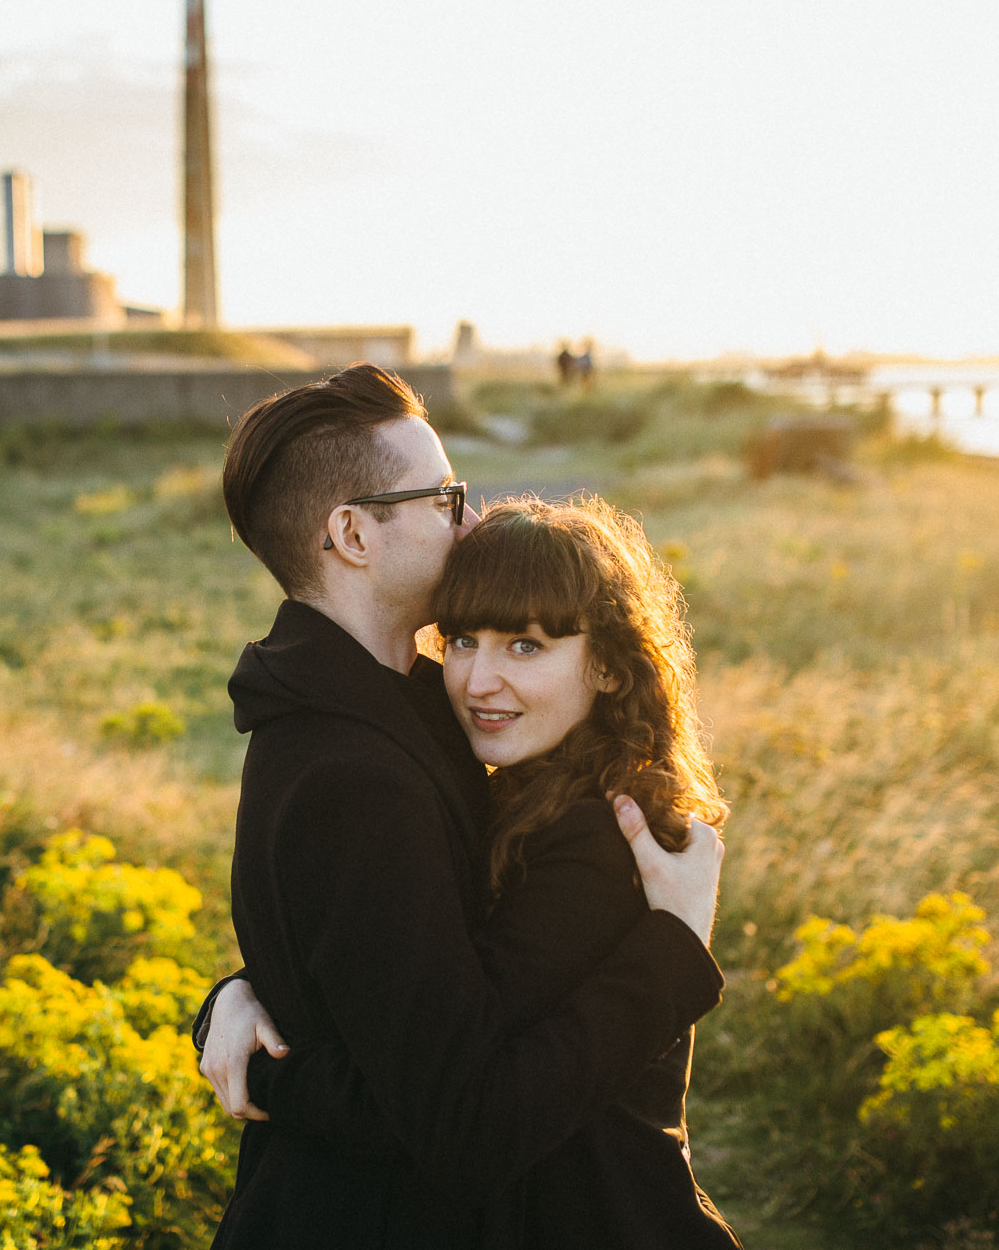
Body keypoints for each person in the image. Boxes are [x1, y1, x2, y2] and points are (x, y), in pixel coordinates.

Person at [197, 364, 725, 1248]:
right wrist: (239, 1003)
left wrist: (253, 1013)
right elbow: (461, 1111)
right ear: (353, 533)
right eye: (444, 496)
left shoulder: (393, 709)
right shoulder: (353, 773)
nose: (469, 518)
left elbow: (390, 963)